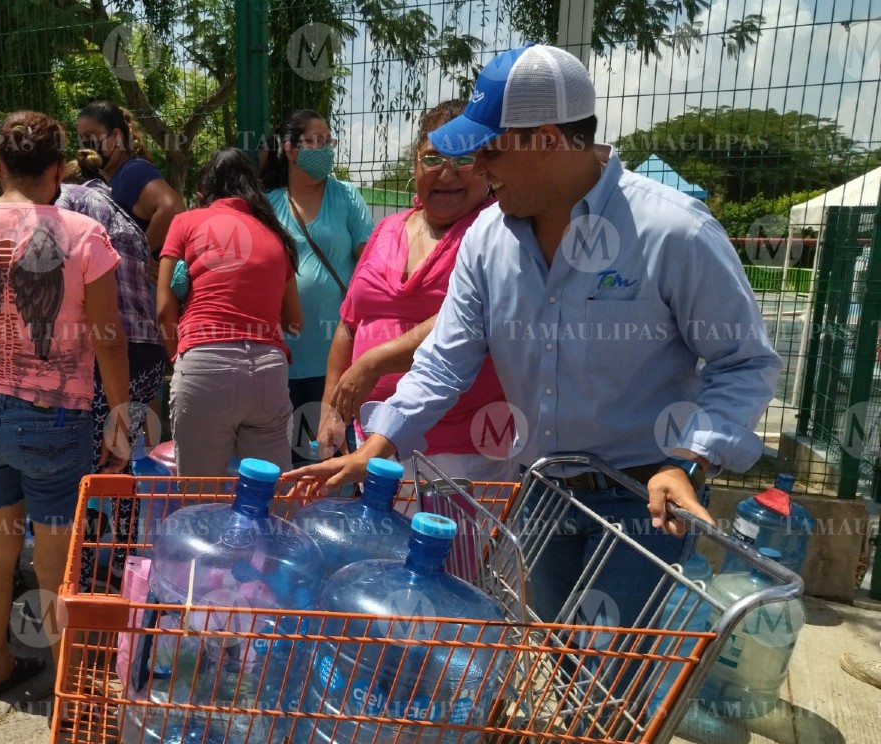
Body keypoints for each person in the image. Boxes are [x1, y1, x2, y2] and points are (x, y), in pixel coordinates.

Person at [288, 45, 781, 632]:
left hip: (642, 499)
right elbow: (446, 362)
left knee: (610, 678)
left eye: (490, 150)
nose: (480, 168)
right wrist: (379, 444)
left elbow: (743, 362)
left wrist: (690, 460)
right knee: (548, 657)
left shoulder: (671, 232)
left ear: (547, 139)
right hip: (542, 493)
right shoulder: (488, 241)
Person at [0, 110, 130, 700]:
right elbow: (108, 338)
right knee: (54, 559)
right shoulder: (84, 234)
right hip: (54, 419)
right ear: (59, 168)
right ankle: (67, 677)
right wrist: (120, 416)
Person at [318, 100, 513, 484]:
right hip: (372, 440)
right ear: (415, 165)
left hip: (462, 447)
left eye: (463, 160)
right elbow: (350, 322)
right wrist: (331, 407)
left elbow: (466, 316)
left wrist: (373, 362)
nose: (447, 173)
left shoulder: (497, 230)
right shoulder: (387, 228)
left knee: (449, 545)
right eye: (433, 158)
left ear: (487, 168)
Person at [157, 147, 303, 476]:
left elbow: (164, 309)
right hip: (268, 372)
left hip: (203, 365)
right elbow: (295, 322)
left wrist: (178, 359)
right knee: (268, 497)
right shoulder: (277, 235)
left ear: (205, 190)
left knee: (200, 502)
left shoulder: (185, 222)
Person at [57, 150, 165, 587]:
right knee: (122, 457)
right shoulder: (121, 211)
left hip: (107, 351)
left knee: (84, 465)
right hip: (147, 351)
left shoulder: (65, 203)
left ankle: (79, 574)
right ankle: (122, 561)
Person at [261, 110, 373, 462]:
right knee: (289, 463)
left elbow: (369, 263)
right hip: (284, 359)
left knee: (341, 457)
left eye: (329, 142)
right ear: (291, 150)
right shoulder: (267, 205)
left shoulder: (348, 198)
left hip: (337, 357)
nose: (325, 149)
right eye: (316, 141)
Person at [75, 101, 183, 258]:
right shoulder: (112, 176)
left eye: (92, 136)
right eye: (82, 138)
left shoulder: (133, 170)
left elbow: (173, 208)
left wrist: (139, 255)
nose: (86, 144)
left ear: (117, 136)